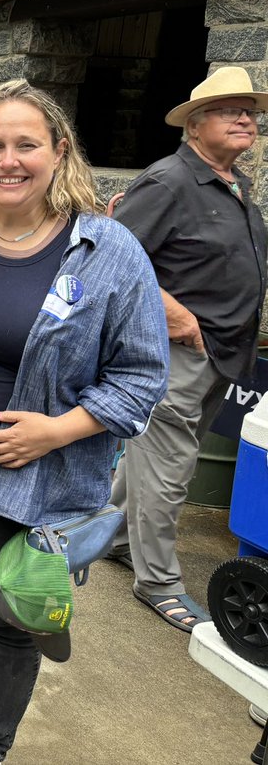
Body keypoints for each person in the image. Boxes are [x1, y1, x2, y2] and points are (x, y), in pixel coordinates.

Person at [0, 79, 168, 765]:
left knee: (7, 616)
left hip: (32, 475)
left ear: (59, 152)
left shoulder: (106, 251)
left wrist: (57, 430)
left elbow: (142, 376)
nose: (7, 161)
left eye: (26, 145)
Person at [109, 66, 268, 632]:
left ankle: (113, 536)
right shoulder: (170, 181)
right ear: (196, 124)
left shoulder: (232, 181)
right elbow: (110, 258)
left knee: (152, 459)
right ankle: (159, 582)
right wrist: (171, 310)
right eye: (231, 109)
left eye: (249, 109)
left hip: (222, 350)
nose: (246, 117)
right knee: (170, 469)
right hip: (174, 353)